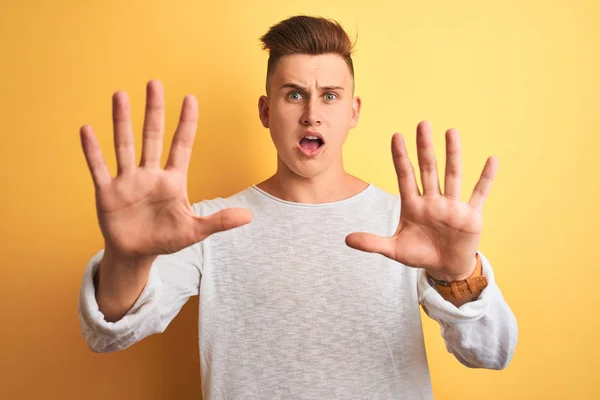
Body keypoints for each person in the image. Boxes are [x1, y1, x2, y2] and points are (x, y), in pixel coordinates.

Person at [77, 15, 517, 399]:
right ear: (266, 111)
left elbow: (493, 353)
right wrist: (127, 258)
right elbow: (107, 333)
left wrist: (459, 277)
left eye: (329, 96)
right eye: (293, 95)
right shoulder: (207, 226)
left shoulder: (409, 225)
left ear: (353, 111)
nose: (311, 114)